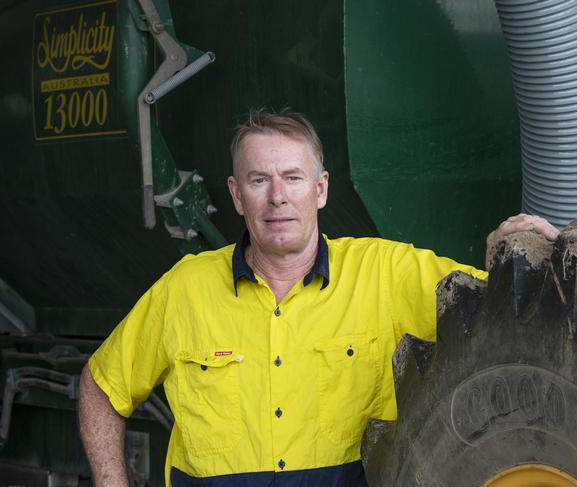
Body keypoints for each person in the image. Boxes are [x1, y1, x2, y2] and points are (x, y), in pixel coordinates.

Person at [78, 110, 560, 487]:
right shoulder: (184, 291)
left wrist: (516, 247)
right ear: (236, 194)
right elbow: (102, 387)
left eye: (292, 177)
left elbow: (509, 310)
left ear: (320, 189)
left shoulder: (386, 273)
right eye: (258, 180)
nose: (277, 198)